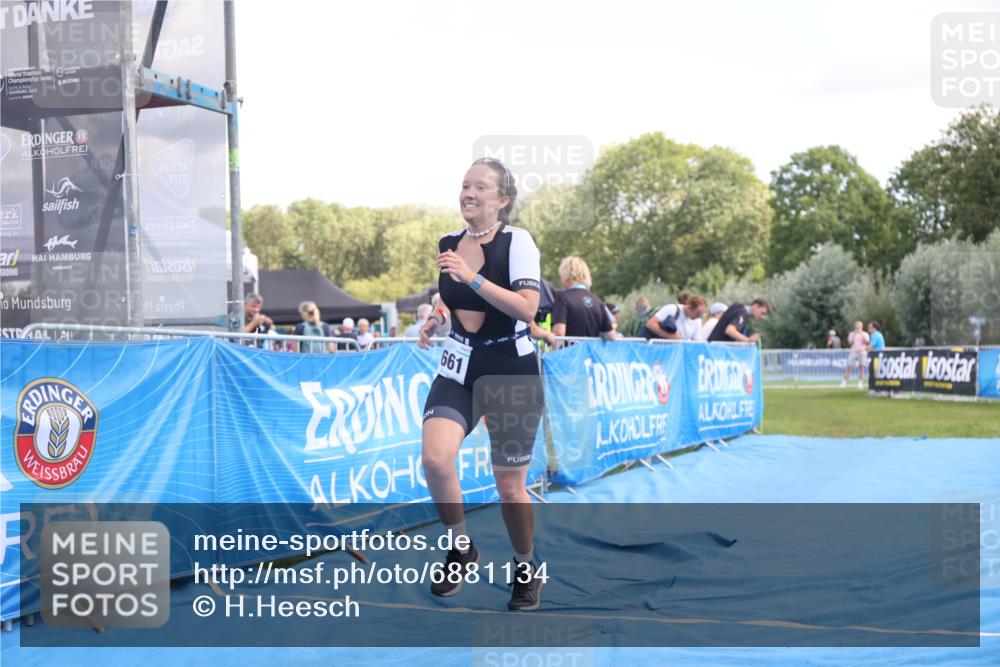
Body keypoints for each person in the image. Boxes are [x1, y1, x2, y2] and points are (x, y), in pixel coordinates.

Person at [418, 157, 544, 611]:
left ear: (503, 200)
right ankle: (460, 548)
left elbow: (528, 308)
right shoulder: (449, 243)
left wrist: (473, 276)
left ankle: (526, 567)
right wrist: (438, 314)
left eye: (480, 188)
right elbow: (449, 293)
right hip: (460, 367)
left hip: (510, 368)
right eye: (464, 185)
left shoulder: (518, 242)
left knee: (510, 487)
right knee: (434, 459)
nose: (468, 193)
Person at [550, 256, 618, 345]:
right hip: (590, 356)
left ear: (566, 275)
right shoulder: (598, 301)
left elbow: (559, 333)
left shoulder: (562, 298)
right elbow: (611, 336)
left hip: (570, 355)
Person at [639, 295, 708, 341]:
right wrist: (670, 336)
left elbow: (695, 342)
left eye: (701, 315)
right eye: (698, 314)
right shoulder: (672, 309)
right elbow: (650, 324)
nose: (699, 317)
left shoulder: (697, 321)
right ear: (690, 308)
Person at [841, 320, 869, 388]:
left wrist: (861, 333)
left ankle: (860, 382)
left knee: (861, 367)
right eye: (857, 325)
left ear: (862, 326)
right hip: (853, 352)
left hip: (862, 352)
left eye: (859, 325)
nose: (858, 327)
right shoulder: (852, 334)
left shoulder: (865, 333)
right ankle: (845, 381)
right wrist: (854, 334)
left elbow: (867, 342)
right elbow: (850, 342)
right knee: (849, 367)